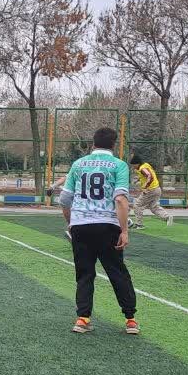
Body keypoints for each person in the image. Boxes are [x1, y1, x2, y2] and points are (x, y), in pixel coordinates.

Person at [59, 127, 139, 335]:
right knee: (117, 272)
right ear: (114, 144)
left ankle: (82, 319)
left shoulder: (78, 164)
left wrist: (71, 223)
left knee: (84, 273)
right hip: (107, 225)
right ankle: (130, 320)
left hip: (81, 225)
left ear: (93, 143)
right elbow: (120, 199)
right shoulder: (119, 165)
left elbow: (65, 199)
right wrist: (124, 231)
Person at [128, 153, 173, 228]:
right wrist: (138, 180)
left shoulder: (142, 168)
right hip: (157, 189)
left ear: (137, 163)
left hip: (150, 190)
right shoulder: (146, 165)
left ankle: (139, 224)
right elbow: (147, 174)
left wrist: (145, 187)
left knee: (137, 205)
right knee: (153, 207)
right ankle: (167, 217)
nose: (133, 167)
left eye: (133, 165)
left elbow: (149, 176)